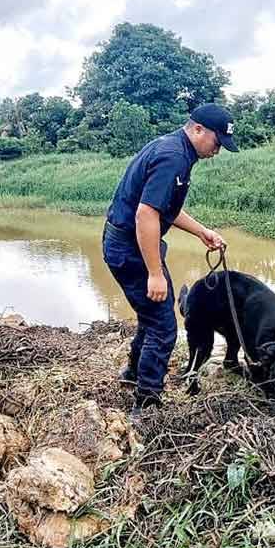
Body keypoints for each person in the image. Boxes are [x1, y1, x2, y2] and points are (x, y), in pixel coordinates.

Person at [102, 103, 237, 415]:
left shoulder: (176, 149)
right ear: (198, 130)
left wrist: (202, 232)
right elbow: (146, 214)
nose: (217, 150)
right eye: (217, 142)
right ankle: (146, 404)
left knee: (152, 315)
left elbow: (164, 207)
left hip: (128, 243)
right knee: (163, 326)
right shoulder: (174, 156)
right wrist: (154, 272)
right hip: (130, 248)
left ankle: (133, 374)